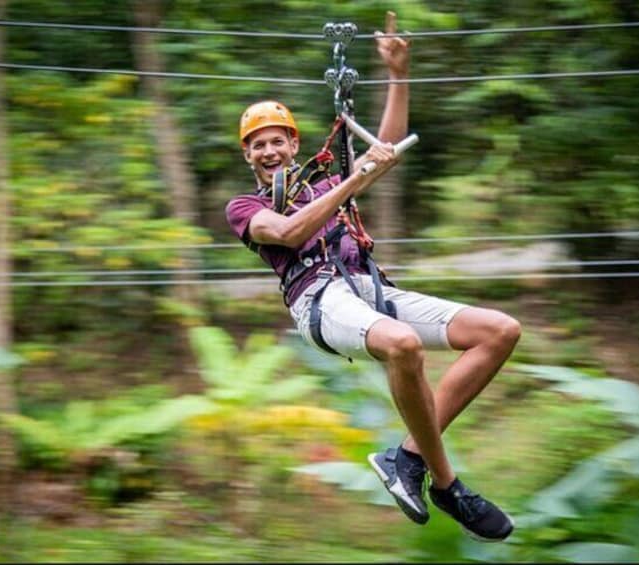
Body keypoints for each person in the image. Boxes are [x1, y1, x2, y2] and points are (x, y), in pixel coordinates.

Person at [225, 12, 521, 542]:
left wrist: (398, 75)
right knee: (403, 345)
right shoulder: (244, 206)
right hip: (318, 300)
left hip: (370, 288)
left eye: (278, 141)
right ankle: (448, 485)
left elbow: (386, 146)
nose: (270, 151)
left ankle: (407, 457)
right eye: (259, 145)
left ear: (294, 145)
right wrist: (353, 180)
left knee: (498, 330)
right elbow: (290, 233)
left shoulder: (326, 185)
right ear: (247, 155)